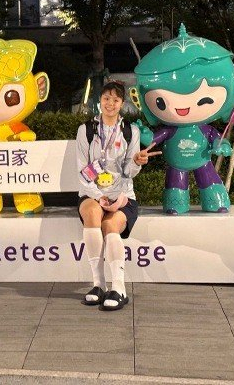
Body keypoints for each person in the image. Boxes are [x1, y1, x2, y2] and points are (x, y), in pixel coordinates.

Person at [76, 81, 160, 311]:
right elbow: (83, 169)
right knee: (92, 213)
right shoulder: (86, 130)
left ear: (121, 103)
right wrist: (98, 196)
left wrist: (136, 162)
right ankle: (98, 285)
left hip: (122, 195)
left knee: (111, 225)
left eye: (115, 100)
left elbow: (128, 172)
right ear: (100, 101)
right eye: (106, 98)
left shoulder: (130, 131)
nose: (110, 104)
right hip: (92, 193)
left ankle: (119, 288)